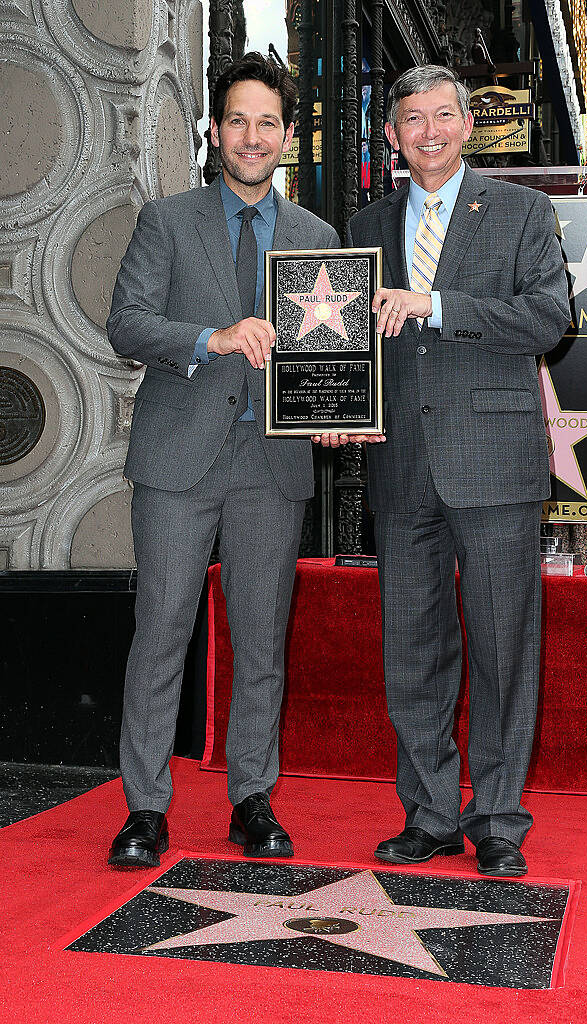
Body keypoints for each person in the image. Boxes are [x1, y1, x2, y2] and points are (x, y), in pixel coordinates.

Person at [316, 65, 570, 877]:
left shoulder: (524, 211)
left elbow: (547, 317)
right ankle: (427, 813)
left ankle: (497, 818)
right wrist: (335, 408)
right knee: (412, 649)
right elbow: (344, 343)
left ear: (467, 125)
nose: (428, 131)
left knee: (503, 648)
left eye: (443, 116)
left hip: (494, 463)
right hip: (399, 465)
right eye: (411, 120)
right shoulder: (366, 221)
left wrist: (439, 303)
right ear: (390, 135)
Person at [106, 52, 339, 868]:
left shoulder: (318, 239)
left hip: (271, 468)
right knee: (162, 629)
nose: (251, 136)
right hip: (178, 462)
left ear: (287, 134)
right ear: (214, 130)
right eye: (237, 120)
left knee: (262, 639)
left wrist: (340, 414)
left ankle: (251, 798)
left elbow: (325, 364)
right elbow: (127, 324)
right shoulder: (167, 220)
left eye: (267, 122)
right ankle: (144, 808)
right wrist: (211, 338)